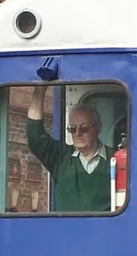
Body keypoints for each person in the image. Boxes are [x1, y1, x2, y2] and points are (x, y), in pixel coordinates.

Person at [25, 85, 117, 213]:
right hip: (67, 232)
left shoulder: (116, 158)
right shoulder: (61, 157)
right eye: (72, 129)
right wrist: (40, 90)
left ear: (98, 128)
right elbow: (35, 136)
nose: (77, 134)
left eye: (84, 128)